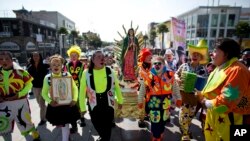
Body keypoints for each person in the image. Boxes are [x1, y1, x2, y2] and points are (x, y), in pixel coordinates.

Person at [196, 38, 250, 141]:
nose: (212, 53)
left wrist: (204, 101)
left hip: (233, 119)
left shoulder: (237, 70)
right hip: (217, 119)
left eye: (216, 51)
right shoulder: (220, 67)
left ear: (226, 54)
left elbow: (227, 101)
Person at [79, 50, 123, 141]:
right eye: (98, 57)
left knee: (107, 126)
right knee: (96, 124)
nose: (102, 58)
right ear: (93, 60)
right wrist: (82, 107)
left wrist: (120, 100)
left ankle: (105, 138)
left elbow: (117, 87)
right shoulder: (86, 73)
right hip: (93, 104)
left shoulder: (109, 70)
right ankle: (104, 137)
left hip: (108, 103)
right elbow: (82, 91)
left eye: (103, 57)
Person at [139, 55, 182, 141]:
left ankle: (160, 133)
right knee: (155, 122)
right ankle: (156, 137)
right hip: (153, 104)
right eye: (155, 63)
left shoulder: (169, 75)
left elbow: (175, 87)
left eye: (159, 63)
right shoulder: (148, 76)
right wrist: (140, 100)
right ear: (152, 64)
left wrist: (179, 98)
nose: (157, 65)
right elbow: (142, 89)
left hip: (166, 104)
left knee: (163, 122)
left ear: (163, 64)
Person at [0, 51, 40, 141]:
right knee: (3, 125)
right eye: (1, 59)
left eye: (7, 59)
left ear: (11, 60)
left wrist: (19, 94)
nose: (4, 61)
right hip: (3, 103)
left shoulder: (21, 72)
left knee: (26, 122)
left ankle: (36, 136)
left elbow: (29, 85)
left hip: (20, 102)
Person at [175, 39, 208, 141]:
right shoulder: (184, 66)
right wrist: (177, 79)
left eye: (198, 55)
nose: (195, 56)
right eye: (194, 54)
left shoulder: (203, 70)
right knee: (184, 114)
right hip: (184, 94)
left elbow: (205, 83)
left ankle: (185, 128)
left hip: (195, 97)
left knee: (190, 115)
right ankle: (185, 133)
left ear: (201, 58)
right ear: (190, 55)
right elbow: (176, 74)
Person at [41, 54, 80, 141]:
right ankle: (67, 137)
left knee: (65, 125)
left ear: (62, 66)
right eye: (54, 64)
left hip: (68, 105)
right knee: (63, 125)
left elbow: (75, 88)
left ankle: (66, 138)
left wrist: (74, 99)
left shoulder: (67, 74)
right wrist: (50, 101)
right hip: (56, 106)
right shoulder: (47, 78)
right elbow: (43, 93)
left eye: (58, 64)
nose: (56, 66)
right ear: (50, 66)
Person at [65, 45, 86, 133]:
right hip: (71, 88)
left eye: (75, 55)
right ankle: (74, 123)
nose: (73, 56)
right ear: (69, 56)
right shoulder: (67, 65)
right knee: (73, 105)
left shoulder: (82, 65)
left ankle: (82, 118)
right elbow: (65, 76)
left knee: (80, 103)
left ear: (78, 56)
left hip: (80, 87)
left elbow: (85, 76)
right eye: (72, 55)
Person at [27, 51, 50, 126]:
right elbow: (27, 78)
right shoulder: (30, 68)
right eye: (34, 56)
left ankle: (42, 119)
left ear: (40, 57)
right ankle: (46, 113)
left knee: (42, 103)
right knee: (39, 103)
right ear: (32, 57)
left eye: (37, 56)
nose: (36, 57)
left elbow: (55, 65)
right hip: (35, 88)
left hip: (44, 87)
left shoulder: (44, 66)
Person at [137, 48, 153, 128]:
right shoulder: (139, 66)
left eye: (151, 56)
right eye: (149, 56)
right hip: (142, 87)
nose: (151, 57)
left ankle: (146, 114)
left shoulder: (152, 65)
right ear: (144, 57)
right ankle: (141, 119)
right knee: (142, 102)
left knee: (149, 103)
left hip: (150, 88)